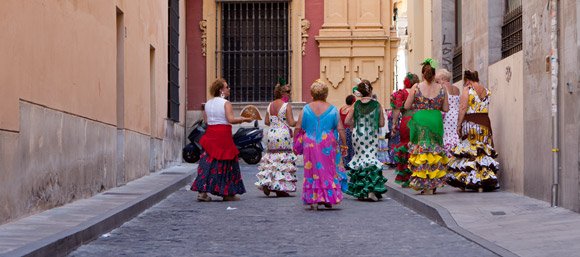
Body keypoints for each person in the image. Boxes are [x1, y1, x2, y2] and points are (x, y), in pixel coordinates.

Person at [191, 79, 253, 202]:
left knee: (207, 162)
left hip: (210, 134)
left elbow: (207, 121)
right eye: (227, 87)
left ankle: (202, 191)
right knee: (227, 164)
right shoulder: (226, 103)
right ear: (221, 90)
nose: (229, 89)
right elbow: (230, 119)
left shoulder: (208, 104)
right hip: (223, 135)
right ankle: (227, 193)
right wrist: (244, 119)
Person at [294, 80, 347, 209]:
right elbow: (340, 128)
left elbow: (298, 127)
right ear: (326, 94)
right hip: (327, 144)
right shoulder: (333, 109)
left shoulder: (306, 109)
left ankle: (314, 199)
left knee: (311, 171)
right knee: (328, 171)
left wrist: (295, 141)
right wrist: (344, 144)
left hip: (310, 143)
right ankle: (327, 197)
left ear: (312, 94)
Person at [447, 70, 500, 192]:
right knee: (481, 152)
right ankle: (482, 181)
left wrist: (459, 125)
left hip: (471, 123)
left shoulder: (468, 90)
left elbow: (463, 108)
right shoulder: (486, 90)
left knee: (470, 152)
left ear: (467, 80)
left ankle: (470, 180)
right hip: (485, 124)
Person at [404, 59, 449, 194]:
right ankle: (433, 183)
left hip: (421, 119)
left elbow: (406, 106)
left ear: (423, 74)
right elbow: (446, 108)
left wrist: (418, 105)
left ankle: (424, 183)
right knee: (434, 151)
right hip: (435, 119)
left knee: (422, 151)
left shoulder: (416, 87)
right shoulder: (442, 88)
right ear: (434, 75)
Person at [344, 80, 388, 201]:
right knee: (371, 159)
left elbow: (347, 121)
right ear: (370, 90)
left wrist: (356, 124)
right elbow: (381, 123)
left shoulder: (356, 105)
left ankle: (361, 189)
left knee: (360, 159)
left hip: (358, 135)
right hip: (371, 135)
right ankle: (371, 190)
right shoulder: (377, 104)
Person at [255, 82, 298, 197]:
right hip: (282, 134)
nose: (290, 94)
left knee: (272, 159)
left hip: (271, 134)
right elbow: (291, 122)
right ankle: (280, 189)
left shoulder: (270, 105)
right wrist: (300, 122)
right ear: (282, 93)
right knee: (282, 160)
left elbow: (266, 122)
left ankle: (267, 182)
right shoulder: (286, 105)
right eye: (288, 92)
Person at [390, 72, 420, 187]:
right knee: (416, 146)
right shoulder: (419, 91)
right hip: (418, 120)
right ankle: (417, 175)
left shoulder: (401, 93)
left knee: (405, 146)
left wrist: (394, 124)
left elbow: (397, 109)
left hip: (406, 120)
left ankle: (407, 177)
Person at [436, 69, 460, 157]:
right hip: (456, 115)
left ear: (442, 78)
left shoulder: (442, 88)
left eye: (437, 81)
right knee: (455, 135)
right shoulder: (457, 89)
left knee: (446, 136)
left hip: (447, 115)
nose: (437, 83)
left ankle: (448, 157)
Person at [339, 95, 356, 169]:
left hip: (341, 130)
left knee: (343, 146)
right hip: (349, 130)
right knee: (350, 147)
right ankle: (350, 163)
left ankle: (344, 162)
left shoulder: (341, 109)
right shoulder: (351, 109)